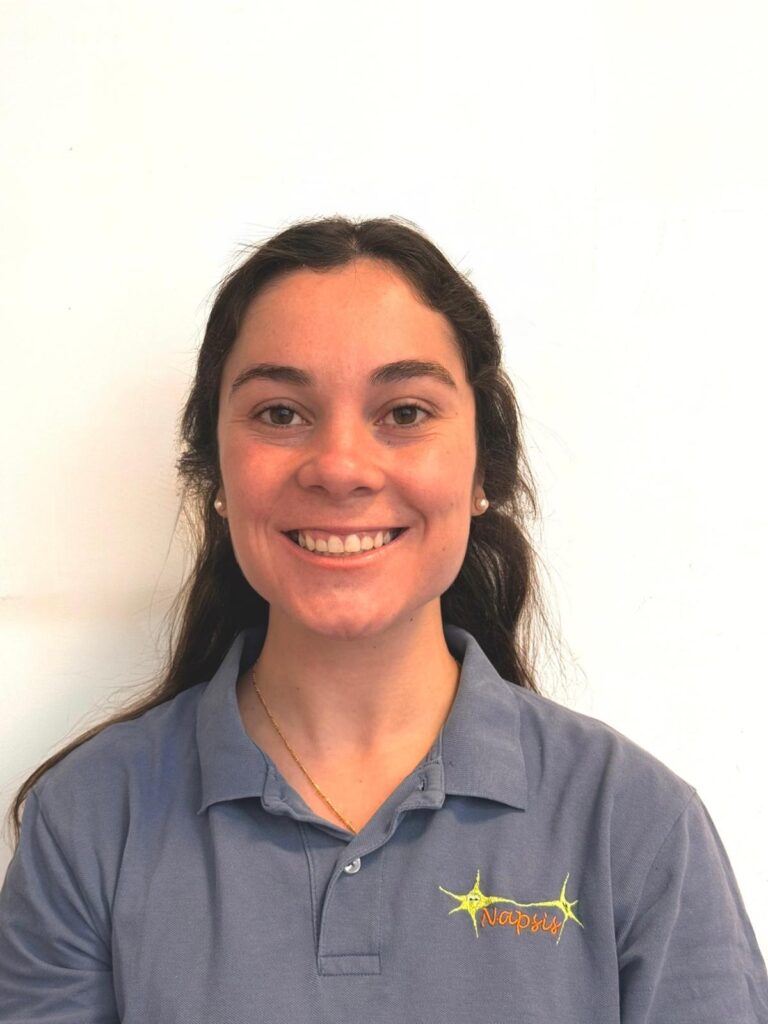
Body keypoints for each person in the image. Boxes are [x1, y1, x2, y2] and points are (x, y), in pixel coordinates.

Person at [0, 216, 765, 1023]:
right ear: (216, 474)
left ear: (483, 468)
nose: (340, 467)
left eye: (404, 412)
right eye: (280, 413)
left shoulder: (634, 825)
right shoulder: (90, 820)